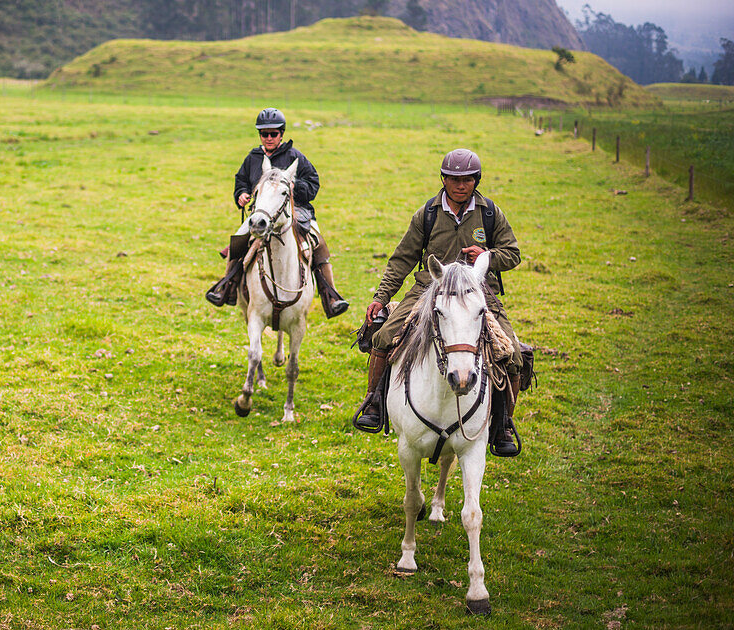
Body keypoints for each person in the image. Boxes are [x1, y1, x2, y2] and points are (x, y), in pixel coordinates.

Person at [355, 148, 525, 456]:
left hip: (478, 290)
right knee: (382, 336)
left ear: (477, 180)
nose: (461, 186)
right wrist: (381, 299)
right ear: (443, 179)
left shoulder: (490, 213)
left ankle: (503, 425)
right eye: (454, 179)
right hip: (429, 287)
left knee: (511, 352)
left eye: (468, 180)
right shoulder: (427, 214)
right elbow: (402, 259)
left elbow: (512, 253)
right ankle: (375, 403)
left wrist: (488, 256)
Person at [205, 108, 349, 318]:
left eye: (274, 133)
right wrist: (242, 194)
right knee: (237, 241)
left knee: (318, 243)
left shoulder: (295, 156)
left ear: (281, 134)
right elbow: (241, 180)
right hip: (262, 213)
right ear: (260, 135)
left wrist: (293, 187)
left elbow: (313, 184)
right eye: (264, 134)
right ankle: (226, 287)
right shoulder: (253, 157)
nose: (269, 138)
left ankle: (331, 296)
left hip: (295, 211)